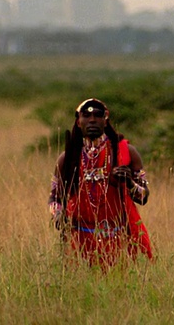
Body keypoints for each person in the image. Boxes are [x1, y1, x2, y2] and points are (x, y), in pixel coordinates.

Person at [47, 98, 152, 268]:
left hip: (119, 240)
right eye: (86, 115)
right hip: (78, 240)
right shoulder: (67, 157)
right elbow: (55, 198)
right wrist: (57, 214)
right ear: (78, 122)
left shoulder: (126, 152)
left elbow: (143, 197)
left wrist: (130, 183)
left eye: (98, 115)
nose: (93, 120)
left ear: (106, 120)